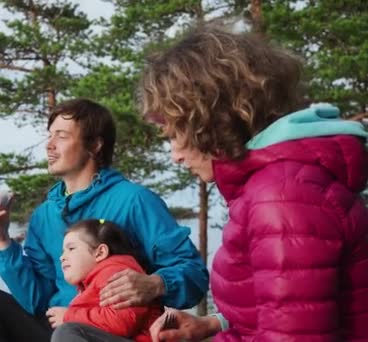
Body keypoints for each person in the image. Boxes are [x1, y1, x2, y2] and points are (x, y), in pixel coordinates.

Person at [140, 26, 368, 341]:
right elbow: (283, 313)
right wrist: (214, 324)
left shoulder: (282, 196)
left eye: (176, 133)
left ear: (212, 120)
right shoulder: (276, 184)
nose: (175, 155)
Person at [0, 98, 209, 341]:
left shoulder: (134, 201)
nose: (49, 144)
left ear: (95, 145)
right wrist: (3, 241)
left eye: (62, 136)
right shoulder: (45, 214)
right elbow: (36, 300)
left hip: (110, 332)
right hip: (59, 326)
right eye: (50, 134)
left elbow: (195, 276)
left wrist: (156, 283)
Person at [51, 219, 162, 342]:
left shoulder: (115, 274)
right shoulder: (91, 282)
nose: (62, 257)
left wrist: (68, 316)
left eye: (71, 249)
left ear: (100, 253)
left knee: (67, 332)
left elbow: (121, 322)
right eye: (63, 251)